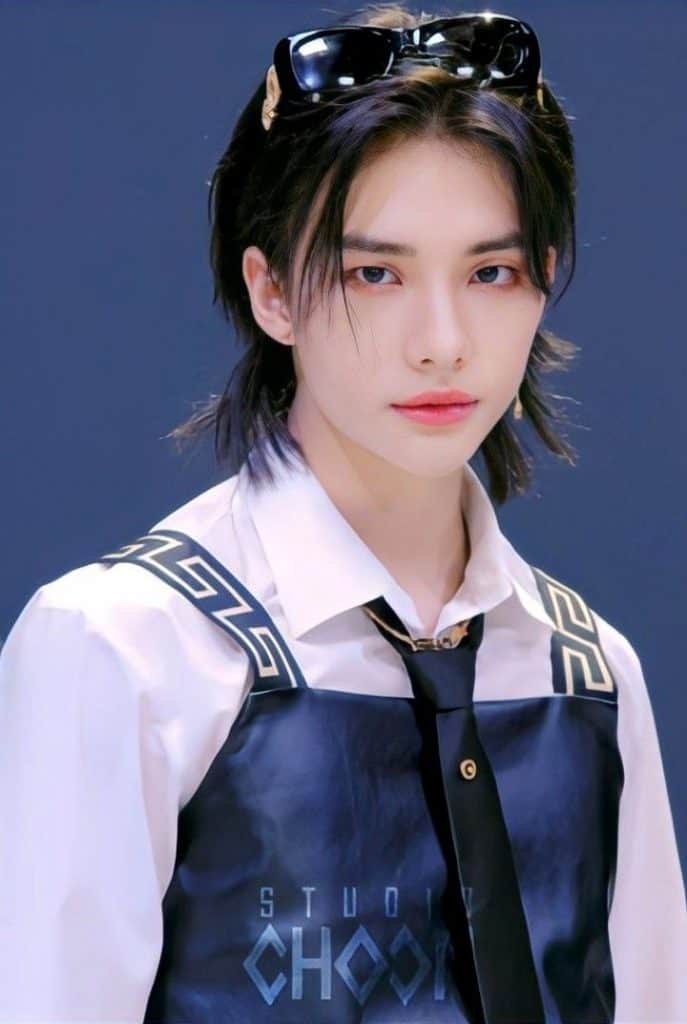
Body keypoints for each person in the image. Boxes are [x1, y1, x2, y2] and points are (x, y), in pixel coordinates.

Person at [1, 3, 685, 1022]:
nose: (441, 340)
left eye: (489, 272)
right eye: (375, 273)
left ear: (543, 282)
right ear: (272, 291)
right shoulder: (124, 649)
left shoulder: (587, 674)